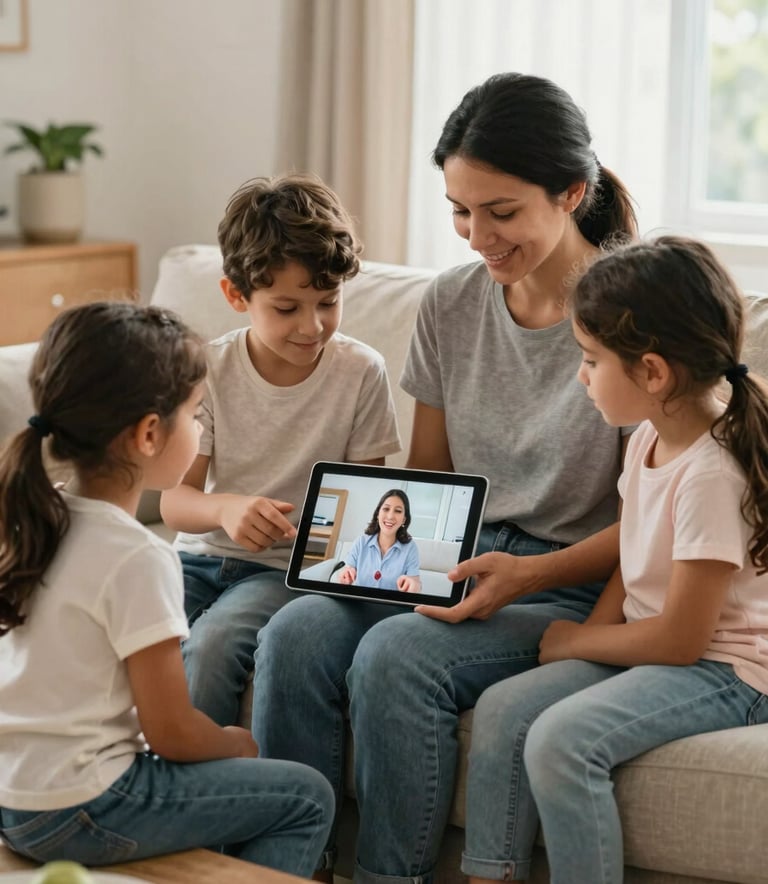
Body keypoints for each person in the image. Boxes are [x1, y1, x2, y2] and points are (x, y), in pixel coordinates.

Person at [252, 72, 638, 884]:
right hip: (453, 554)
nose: (476, 236)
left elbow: (655, 521)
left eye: (501, 213)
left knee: (399, 657)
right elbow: (427, 479)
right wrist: (362, 548)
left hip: (563, 576)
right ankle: (291, 869)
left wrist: (527, 572)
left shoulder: (634, 313)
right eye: (461, 211)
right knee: (292, 633)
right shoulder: (450, 302)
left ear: (571, 192)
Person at [463, 235, 768, 884]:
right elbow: (632, 565)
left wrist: (578, 642)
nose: (581, 375)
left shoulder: (712, 473)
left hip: (729, 670)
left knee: (561, 742)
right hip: (663, 646)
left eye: (591, 360)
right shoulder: (650, 440)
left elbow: (686, 640)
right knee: (502, 709)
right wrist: (594, 640)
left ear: (653, 372)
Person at [0, 302, 334, 874]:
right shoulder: (137, 555)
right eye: (195, 414)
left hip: (13, 795)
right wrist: (234, 744)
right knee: (306, 796)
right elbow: (171, 731)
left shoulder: (30, 519)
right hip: (82, 806)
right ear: (150, 434)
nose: (200, 428)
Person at [159, 173, 401, 727]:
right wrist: (226, 509)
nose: (312, 327)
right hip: (196, 558)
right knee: (119, 629)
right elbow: (176, 500)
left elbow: (364, 514)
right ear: (236, 295)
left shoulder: (361, 372)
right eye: (287, 308)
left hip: (281, 573)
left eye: (328, 302)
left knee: (214, 646)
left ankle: (206, 799)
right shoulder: (210, 370)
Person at [337, 489, 421, 592]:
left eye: (398, 511)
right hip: (359, 605)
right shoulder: (361, 542)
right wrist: (345, 575)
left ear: (404, 519)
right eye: (386, 509)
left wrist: (413, 585)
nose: (390, 516)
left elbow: (416, 583)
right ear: (378, 514)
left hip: (391, 607)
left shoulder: (410, 548)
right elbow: (346, 570)